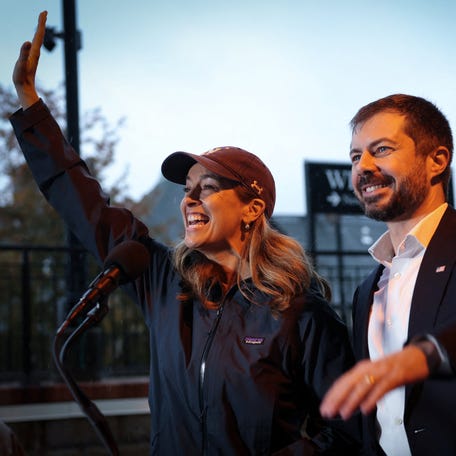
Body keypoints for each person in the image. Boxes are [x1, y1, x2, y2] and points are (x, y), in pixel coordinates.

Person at [10, 11, 361, 454]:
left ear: (253, 209)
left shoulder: (301, 314)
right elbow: (86, 208)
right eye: (187, 189)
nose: (189, 199)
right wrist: (30, 106)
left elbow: (349, 434)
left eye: (207, 189)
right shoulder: (163, 282)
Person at [320, 93, 456, 455]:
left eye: (380, 150)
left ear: (437, 160)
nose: (362, 166)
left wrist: (422, 356)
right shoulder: (367, 290)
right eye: (354, 156)